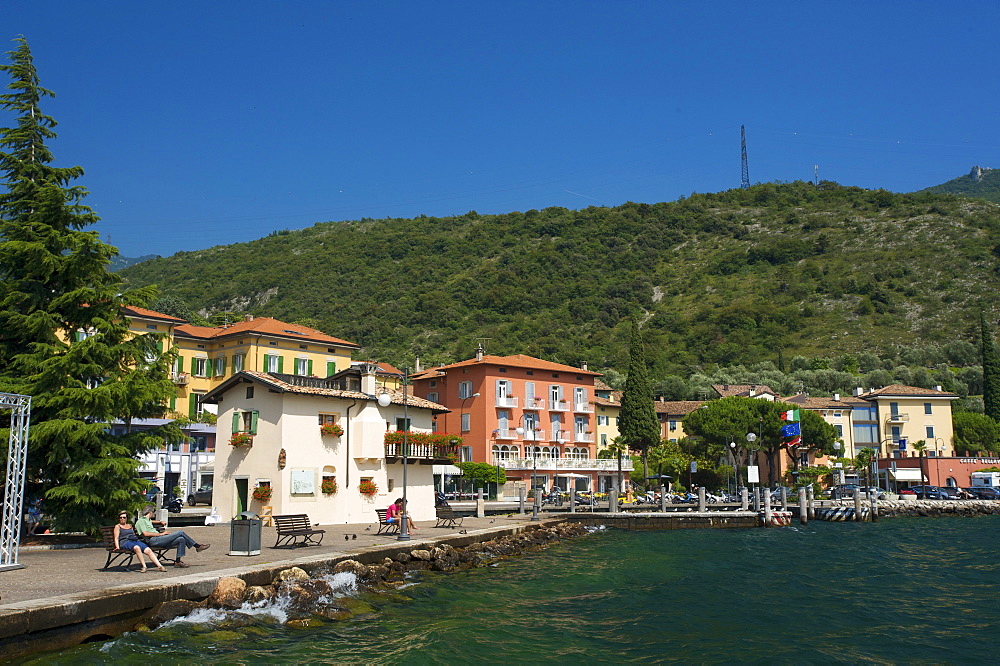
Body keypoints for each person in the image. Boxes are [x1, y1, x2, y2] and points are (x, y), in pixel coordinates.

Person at [134, 505, 210, 568]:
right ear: (150, 512)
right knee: (180, 532)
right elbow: (146, 534)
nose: (153, 514)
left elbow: (151, 522)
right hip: (154, 540)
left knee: (181, 539)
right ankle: (197, 546)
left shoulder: (147, 520)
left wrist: (160, 522)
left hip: (159, 539)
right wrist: (161, 534)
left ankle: (177, 561)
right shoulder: (141, 521)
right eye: (153, 512)